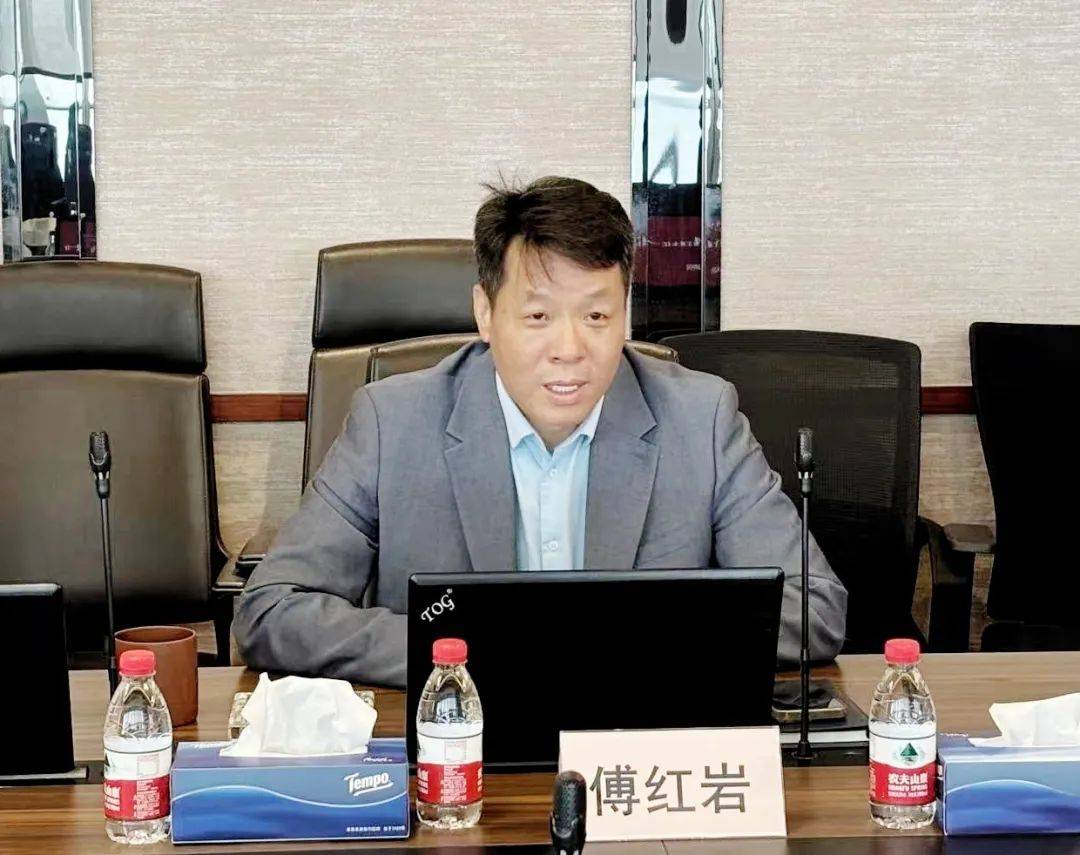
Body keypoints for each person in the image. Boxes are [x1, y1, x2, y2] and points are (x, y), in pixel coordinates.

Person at [234, 176, 847, 687]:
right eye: (537, 316)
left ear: (625, 314)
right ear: (485, 313)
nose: (569, 348)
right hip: (459, 735)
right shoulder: (392, 422)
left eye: (597, 315)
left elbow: (814, 608)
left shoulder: (700, 418)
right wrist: (469, 650)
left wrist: (610, 643)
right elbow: (271, 611)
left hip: (634, 741)